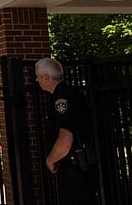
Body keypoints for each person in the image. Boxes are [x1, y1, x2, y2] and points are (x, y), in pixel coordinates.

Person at [35, 58, 99, 205]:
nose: (36, 80)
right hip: (81, 167)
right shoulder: (69, 94)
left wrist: (50, 159)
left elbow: (66, 138)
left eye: (38, 76)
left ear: (46, 77)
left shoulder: (61, 99)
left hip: (74, 169)